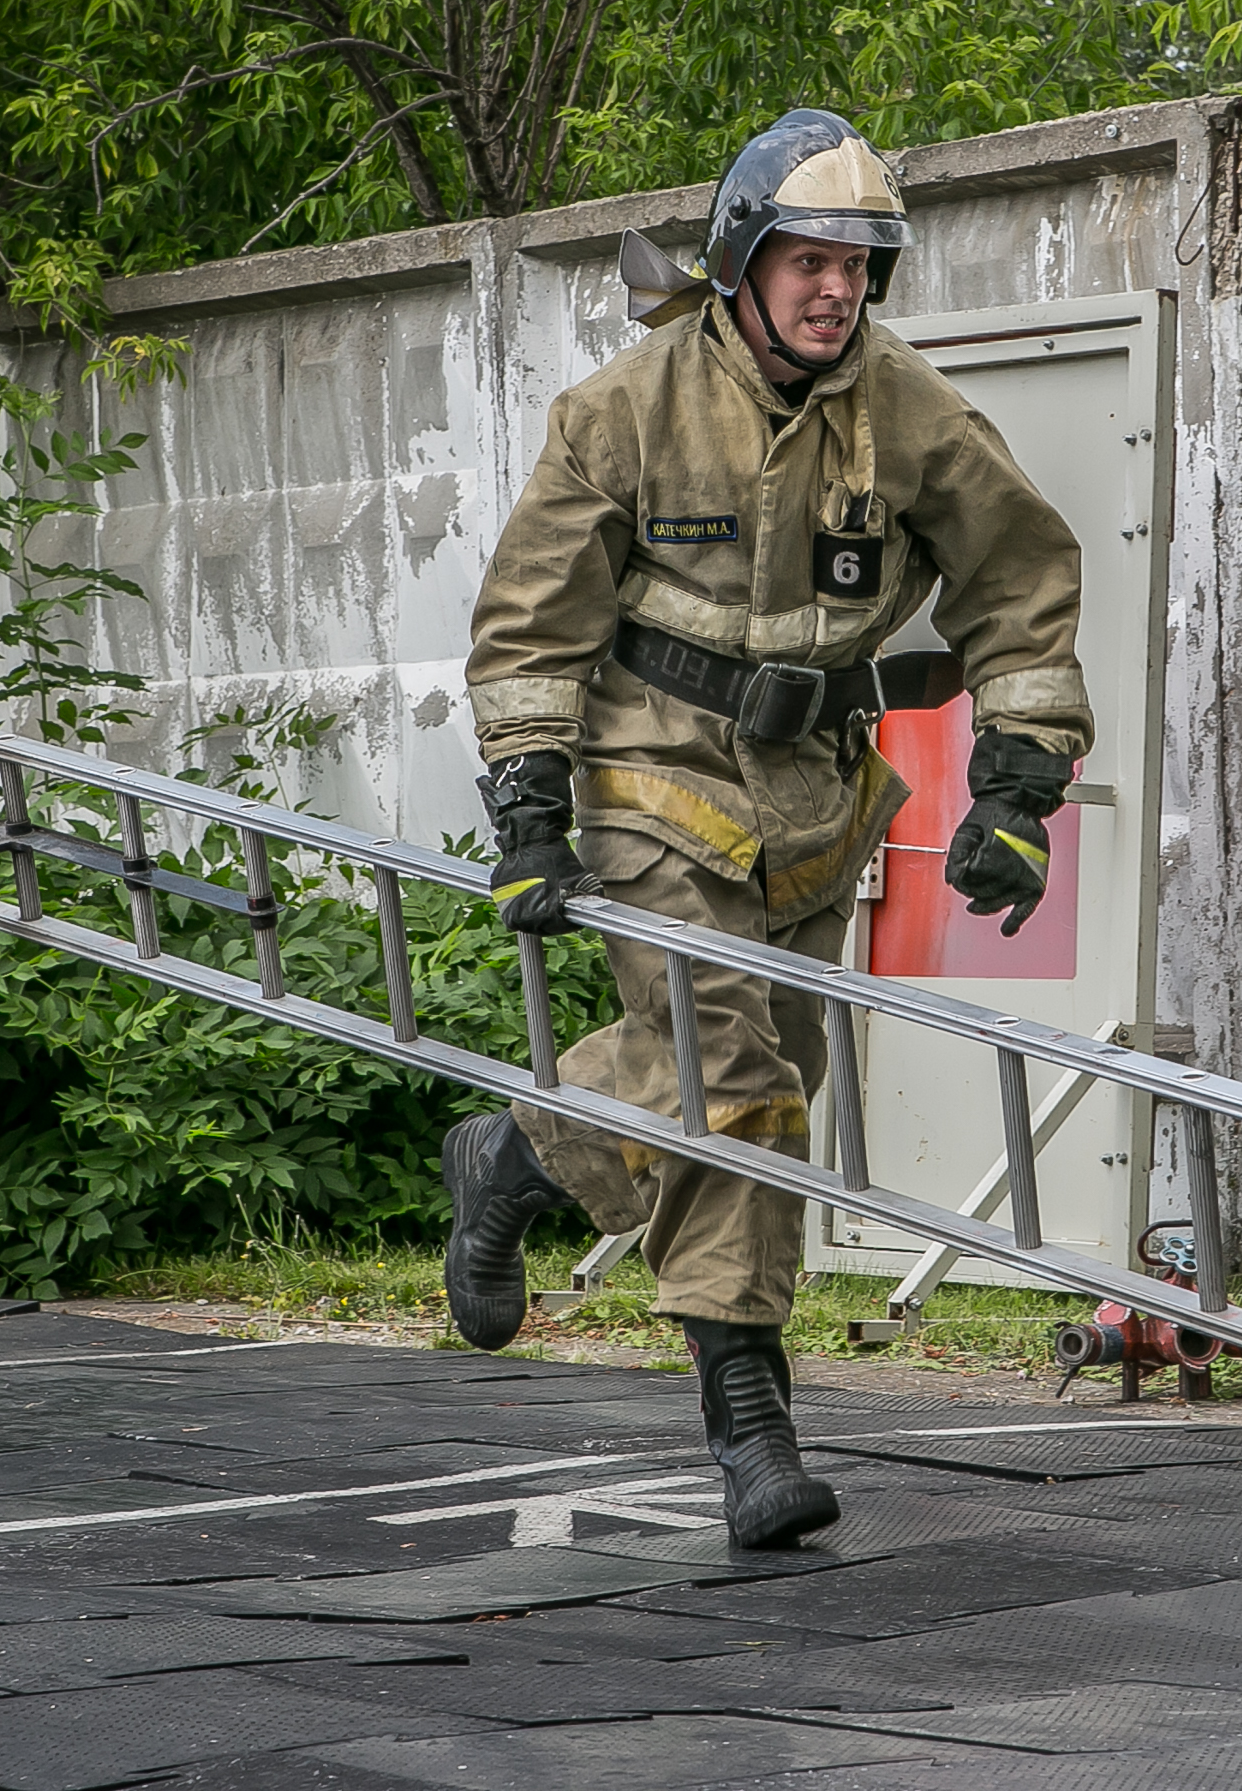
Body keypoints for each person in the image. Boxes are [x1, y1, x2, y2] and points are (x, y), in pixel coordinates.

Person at [443, 108, 1093, 1548]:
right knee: (732, 1074)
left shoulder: (911, 409)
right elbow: (530, 623)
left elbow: (1022, 582)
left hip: (816, 807)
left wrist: (1019, 785)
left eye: (860, 266)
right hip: (646, 777)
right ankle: (752, 1432)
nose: (833, 291)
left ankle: (520, 1153)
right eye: (807, 259)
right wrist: (531, 808)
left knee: (765, 1091)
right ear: (742, 256)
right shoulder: (625, 408)